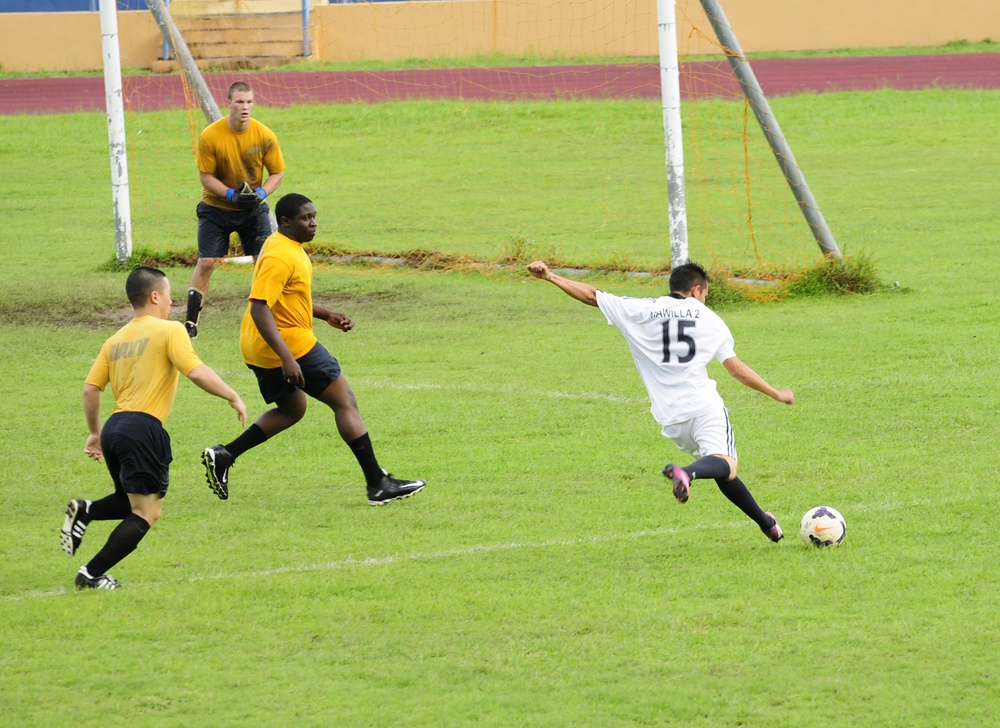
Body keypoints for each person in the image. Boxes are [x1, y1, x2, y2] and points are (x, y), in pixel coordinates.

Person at [527, 260, 794, 542]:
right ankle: (687, 473)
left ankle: (767, 524)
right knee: (726, 464)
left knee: (719, 467)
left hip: (671, 419)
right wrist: (776, 393)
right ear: (696, 290)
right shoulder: (711, 319)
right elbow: (736, 369)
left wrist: (551, 277)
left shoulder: (642, 309)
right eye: (705, 295)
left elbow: (592, 295)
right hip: (703, 407)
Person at [201, 193, 426, 506]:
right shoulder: (282, 256)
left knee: (293, 409)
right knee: (345, 401)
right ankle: (378, 484)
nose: (314, 223)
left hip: (258, 346)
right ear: (286, 222)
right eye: (306, 218)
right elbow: (259, 308)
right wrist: (287, 358)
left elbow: (288, 298)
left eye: (314, 216)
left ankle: (225, 455)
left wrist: (325, 314)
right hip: (286, 344)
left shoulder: (284, 246)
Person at [61, 266, 247, 590]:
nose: (172, 302)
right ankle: (90, 574)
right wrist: (232, 395)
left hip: (114, 429)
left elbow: (91, 389)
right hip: (143, 428)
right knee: (148, 512)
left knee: (129, 500)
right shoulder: (170, 330)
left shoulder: (114, 340)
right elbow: (196, 371)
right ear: (154, 296)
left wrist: (94, 433)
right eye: (170, 295)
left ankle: (85, 511)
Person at [184, 80, 286, 338]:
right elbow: (206, 176)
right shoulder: (210, 135)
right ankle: (191, 323)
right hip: (215, 208)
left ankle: (273, 318)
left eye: (249, 102)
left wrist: (261, 193)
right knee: (207, 262)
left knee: (263, 261)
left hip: (253, 210)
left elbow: (277, 172)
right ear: (228, 102)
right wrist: (230, 195)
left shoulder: (265, 135)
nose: (245, 107)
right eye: (240, 102)